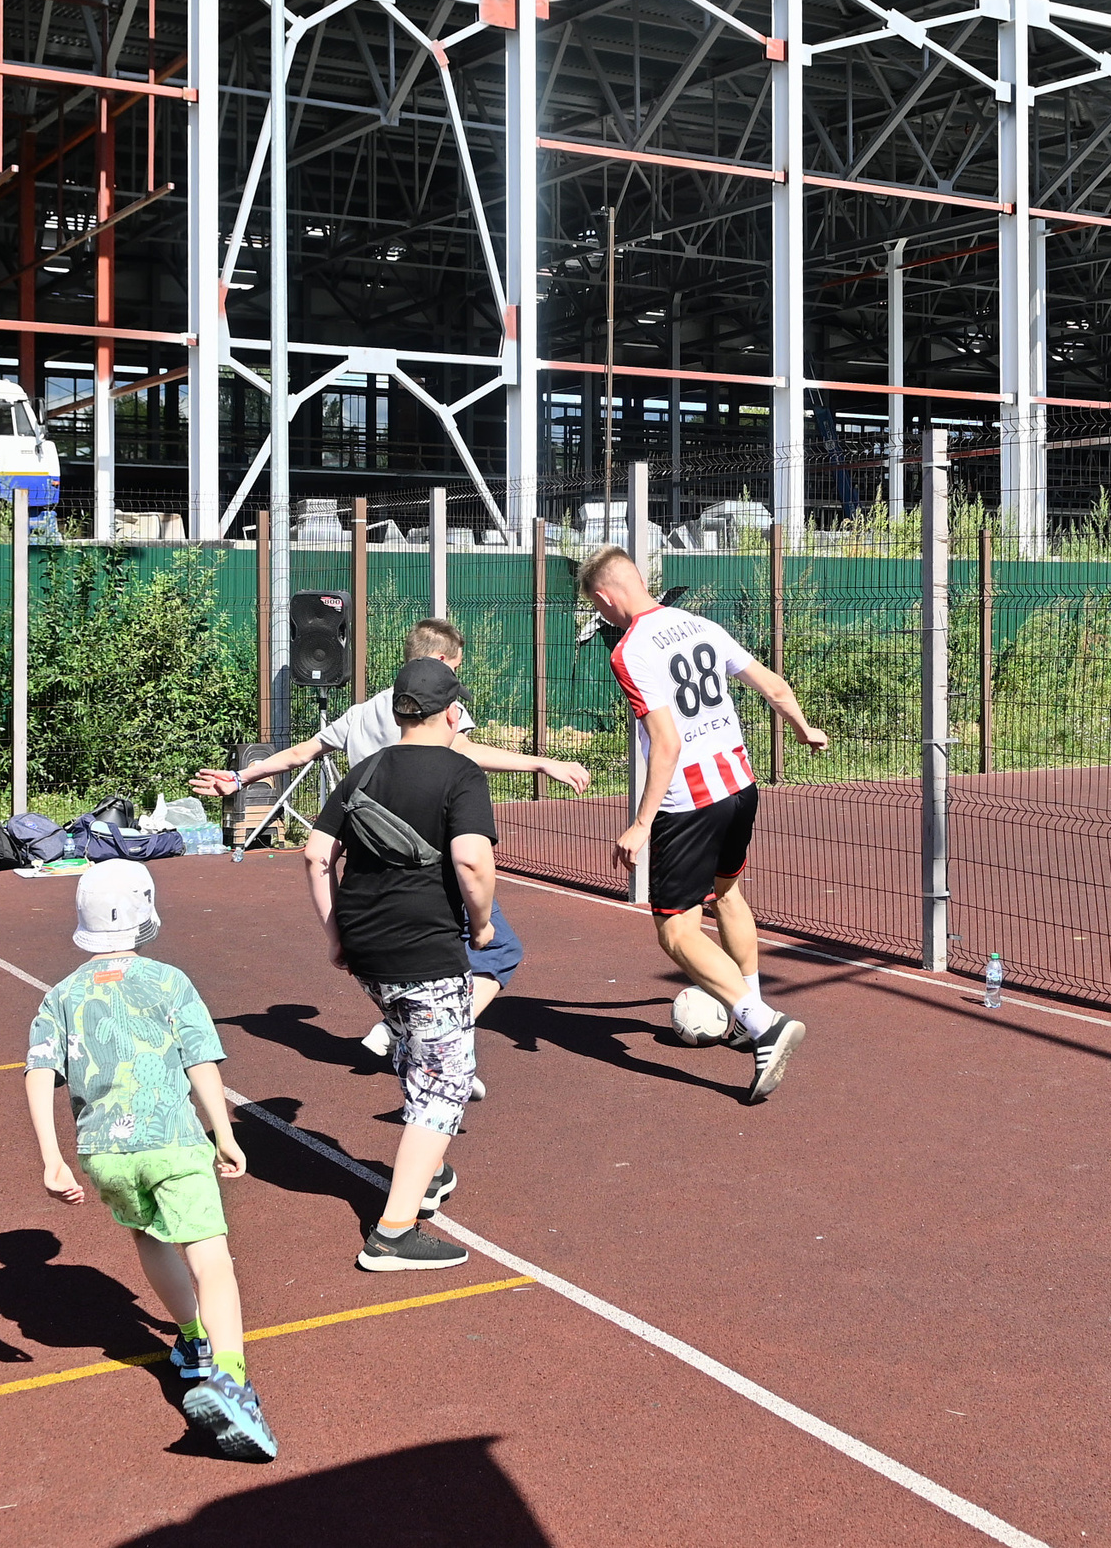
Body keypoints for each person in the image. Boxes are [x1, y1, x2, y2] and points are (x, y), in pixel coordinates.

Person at [196, 618, 588, 1094]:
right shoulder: (441, 712)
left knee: (407, 958)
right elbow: (466, 754)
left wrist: (241, 778)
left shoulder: (362, 712)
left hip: (368, 871)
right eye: (456, 667)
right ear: (440, 665)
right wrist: (541, 761)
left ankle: (413, 1036)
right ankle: (425, 1041)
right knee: (495, 949)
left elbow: (302, 754)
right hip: (429, 863)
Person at [24, 860, 277, 1460]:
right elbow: (200, 1062)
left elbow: (38, 1072)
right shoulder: (169, 981)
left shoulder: (62, 994)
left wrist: (50, 1157)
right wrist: (224, 1132)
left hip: (102, 1152)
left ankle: (190, 1342)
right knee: (212, 1261)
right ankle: (232, 1382)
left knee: (149, 1235)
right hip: (171, 1141)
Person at [577, 545, 830, 1104]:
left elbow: (665, 741)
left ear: (603, 598)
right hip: (740, 786)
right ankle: (748, 1013)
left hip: (688, 802)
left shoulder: (630, 650)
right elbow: (776, 687)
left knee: (675, 930)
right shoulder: (699, 624)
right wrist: (803, 729)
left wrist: (641, 822)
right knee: (728, 894)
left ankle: (763, 1024)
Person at [304, 657, 498, 1272]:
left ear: (396, 712)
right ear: (453, 711)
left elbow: (315, 856)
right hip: (426, 945)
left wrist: (336, 934)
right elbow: (470, 861)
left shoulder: (365, 768)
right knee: (444, 1083)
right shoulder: (461, 773)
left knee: (419, 1049)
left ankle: (430, 1169)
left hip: (366, 944)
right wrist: (484, 921)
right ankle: (392, 1232)